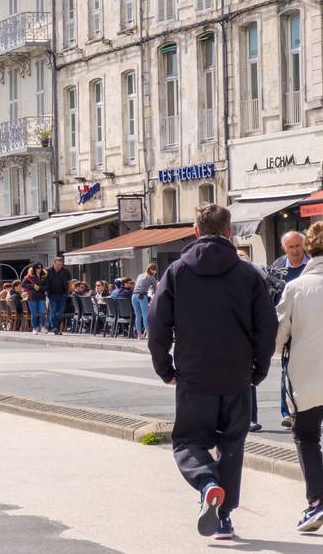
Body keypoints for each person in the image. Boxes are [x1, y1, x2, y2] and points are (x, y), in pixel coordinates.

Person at [148, 204, 276, 540]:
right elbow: (267, 328)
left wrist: (165, 369)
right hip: (237, 376)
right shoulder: (248, 274)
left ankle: (206, 484)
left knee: (188, 441)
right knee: (232, 445)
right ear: (229, 232)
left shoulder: (176, 272)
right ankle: (224, 519)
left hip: (193, 375)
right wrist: (258, 371)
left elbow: (157, 326)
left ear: (195, 231)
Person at [273, 220, 323, 533]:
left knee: (306, 436)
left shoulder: (296, 288)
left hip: (308, 379)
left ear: (307, 249)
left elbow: (279, 335)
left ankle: (316, 501)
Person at [275, 231, 311, 428]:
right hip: (289, 328)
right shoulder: (278, 268)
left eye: (299, 245)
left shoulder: (312, 264)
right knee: (286, 370)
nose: (296, 250)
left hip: (310, 325)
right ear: (284, 249)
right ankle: (287, 411)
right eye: (291, 247)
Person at [45, 256, 71, 335]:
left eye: (61, 265)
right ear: (54, 263)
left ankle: (57, 327)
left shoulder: (65, 271)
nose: (59, 266)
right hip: (52, 294)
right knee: (53, 311)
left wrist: (68, 292)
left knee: (60, 312)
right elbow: (45, 282)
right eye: (58, 265)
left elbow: (69, 282)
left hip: (63, 295)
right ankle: (54, 327)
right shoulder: (48, 271)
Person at [132, 264, 158, 340]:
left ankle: (139, 335)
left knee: (138, 315)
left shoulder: (140, 275)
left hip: (134, 296)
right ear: (154, 270)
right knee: (145, 315)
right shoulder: (152, 278)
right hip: (142, 296)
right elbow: (156, 290)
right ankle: (149, 334)